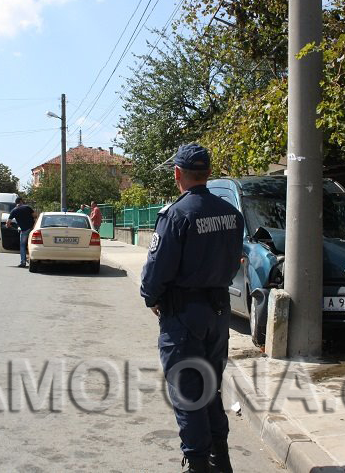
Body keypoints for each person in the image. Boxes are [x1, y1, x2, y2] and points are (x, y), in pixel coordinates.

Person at [140, 144, 244, 473]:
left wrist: (151, 297)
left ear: (178, 175)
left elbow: (157, 271)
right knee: (209, 389)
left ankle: (198, 465)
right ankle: (220, 461)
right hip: (218, 313)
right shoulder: (232, 215)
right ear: (208, 174)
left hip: (184, 316)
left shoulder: (177, 214)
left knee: (188, 393)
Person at [5, 197, 38, 268]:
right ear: (21, 201)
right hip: (32, 229)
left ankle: (23, 262)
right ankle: (33, 260)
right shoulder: (28, 207)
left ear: (16, 203)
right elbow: (35, 216)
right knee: (33, 244)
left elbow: (8, 223)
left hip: (24, 230)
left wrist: (9, 226)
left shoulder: (14, 211)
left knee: (22, 246)